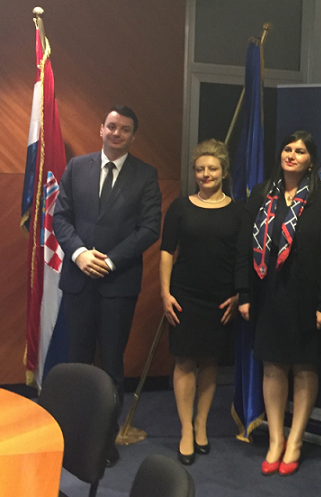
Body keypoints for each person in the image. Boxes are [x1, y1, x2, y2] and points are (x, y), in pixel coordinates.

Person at [53, 105, 162, 466]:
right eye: (112, 126)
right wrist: (79, 254)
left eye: (124, 129)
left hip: (118, 284)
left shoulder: (146, 175)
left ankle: (103, 438)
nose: (117, 133)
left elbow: (149, 228)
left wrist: (110, 260)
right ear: (101, 129)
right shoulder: (77, 167)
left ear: (133, 136)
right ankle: (73, 435)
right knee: (77, 363)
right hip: (79, 281)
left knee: (112, 364)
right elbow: (60, 217)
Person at [237, 131, 321, 476]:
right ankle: (276, 439)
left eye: (300, 151)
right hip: (268, 293)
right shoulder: (261, 194)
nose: (292, 155)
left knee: (305, 367)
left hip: (308, 297)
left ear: (311, 160)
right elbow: (243, 246)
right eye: (287, 149)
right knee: (273, 366)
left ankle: (295, 440)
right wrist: (244, 293)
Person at [159, 139, 244, 465]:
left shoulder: (238, 211)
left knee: (210, 362)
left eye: (212, 168)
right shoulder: (180, 207)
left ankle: (201, 425)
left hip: (221, 298)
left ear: (224, 171)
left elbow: (242, 258)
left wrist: (238, 294)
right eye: (200, 169)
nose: (206, 174)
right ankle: (185, 429)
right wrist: (165, 293)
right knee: (184, 362)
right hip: (184, 296)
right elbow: (166, 252)